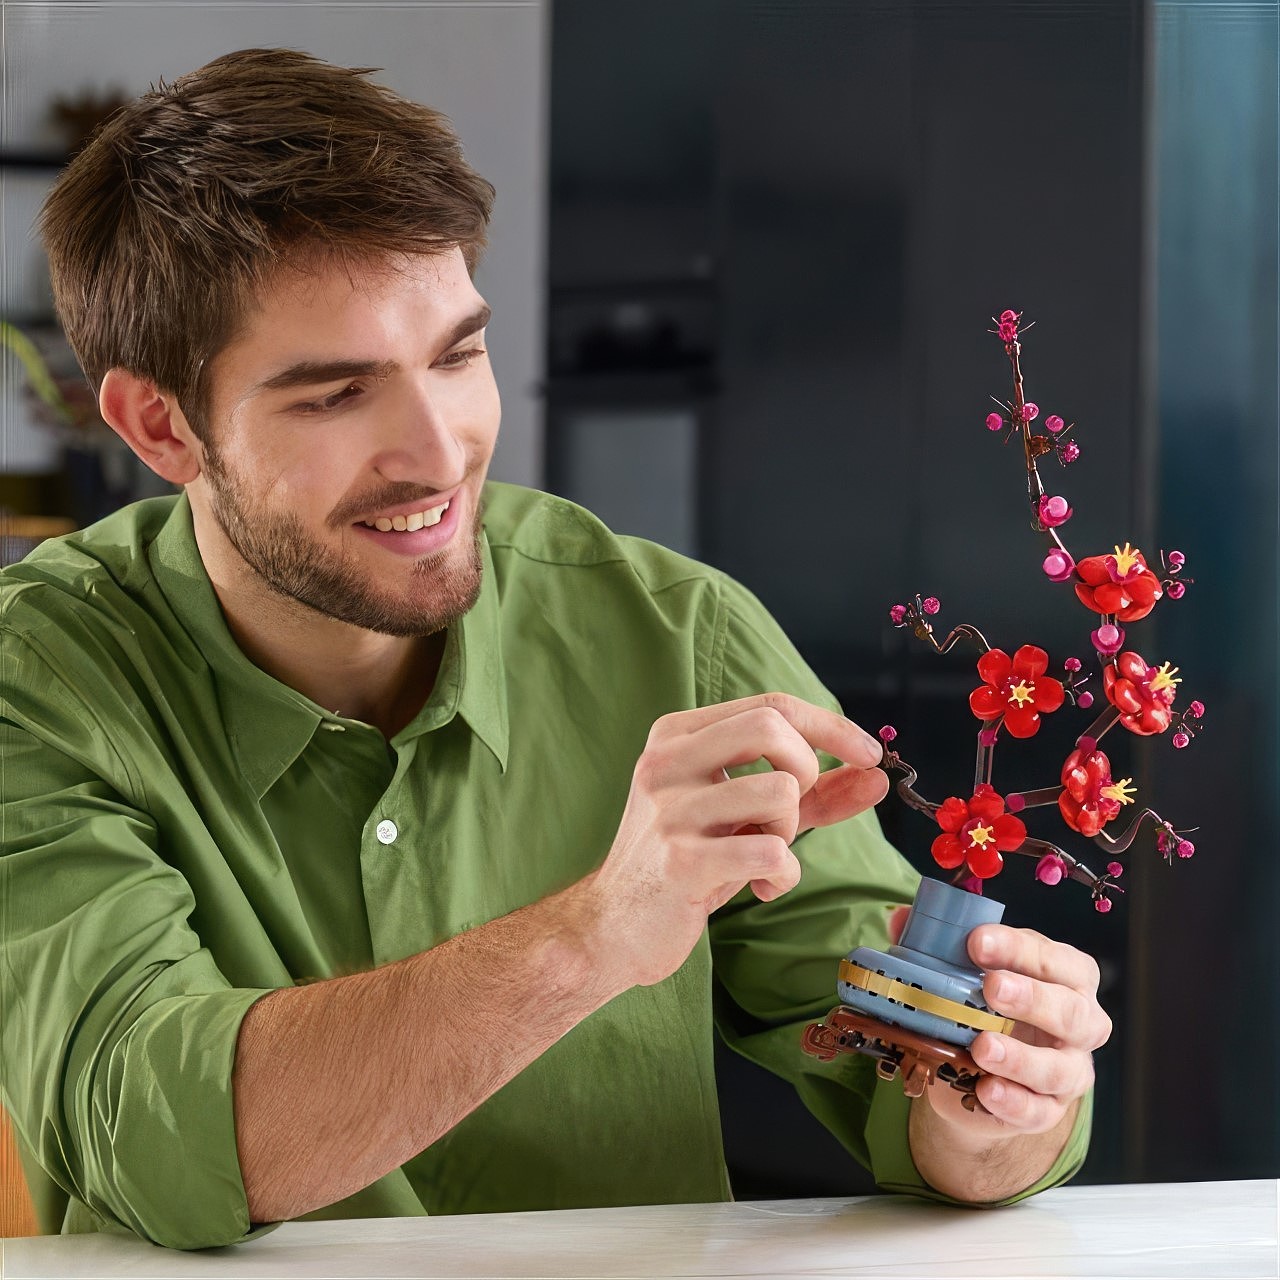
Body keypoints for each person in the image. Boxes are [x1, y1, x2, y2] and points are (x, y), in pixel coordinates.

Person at [0, 49, 1108, 1250]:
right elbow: (153, 1129)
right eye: (334, 395)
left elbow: (906, 1093)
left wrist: (1000, 1103)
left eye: (456, 354)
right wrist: (587, 936)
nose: (436, 452)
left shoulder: (675, 630)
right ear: (159, 424)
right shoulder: (39, 683)